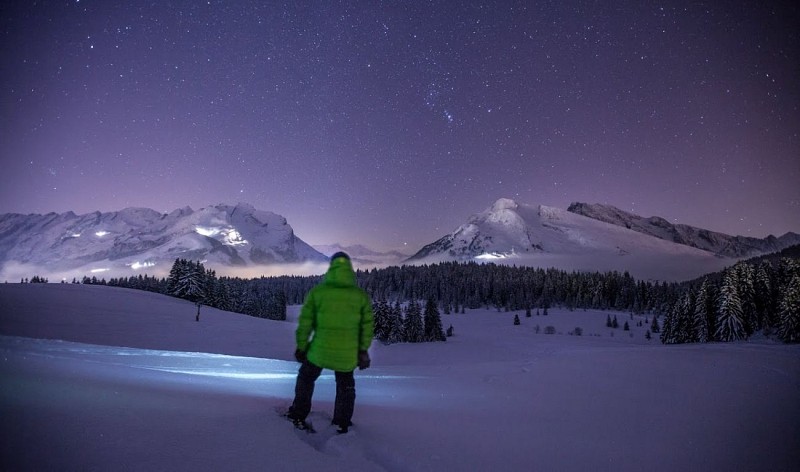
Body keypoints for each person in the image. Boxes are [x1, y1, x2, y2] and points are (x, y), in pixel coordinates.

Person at [287, 252, 374, 433]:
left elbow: (306, 322)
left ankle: (298, 414)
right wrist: (363, 350)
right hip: (347, 354)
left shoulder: (318, 292)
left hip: (319, 351)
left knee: (306, 378)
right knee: (346, 386)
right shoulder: (360, 296)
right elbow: (367, 327)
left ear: (331, 268)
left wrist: (302, 346)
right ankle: (342, 423)